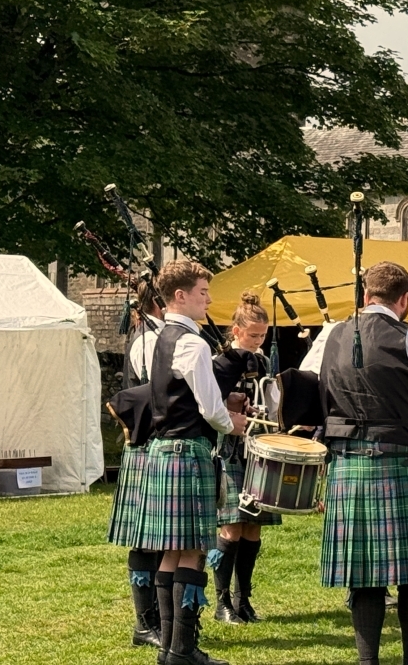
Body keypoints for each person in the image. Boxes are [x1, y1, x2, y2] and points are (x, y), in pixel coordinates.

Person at [319, 261, 408, 665]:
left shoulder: (331, 335)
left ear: (365, 296)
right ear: (404, 299)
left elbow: (311, 388)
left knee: (362, 574)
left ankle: (367, 661)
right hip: (401, 462)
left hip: (348, 465)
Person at [134, 261, 247, 665]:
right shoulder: (192, 343)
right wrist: (230, 422)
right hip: (188, 453)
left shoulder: (160, 338)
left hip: (164, 450)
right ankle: (181, 650)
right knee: (194, 551)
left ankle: (170, 649)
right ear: (180, 296)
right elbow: (209, 407)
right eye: (203, 292)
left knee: (170, 552)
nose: (209, 299)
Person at [211, 292, 277, 625]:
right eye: (252, 335)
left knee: (253, 527)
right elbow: (208, 402)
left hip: (258, 449)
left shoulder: (263, 362)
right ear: (235, 330)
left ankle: (243, 600)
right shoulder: (220, 361)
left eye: (262, 335)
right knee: (232, 526)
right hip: (229, 448)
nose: (256, 340)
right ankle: (222, 603)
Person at [106, 289, 165, 649]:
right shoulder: (148, 341)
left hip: (153, 446)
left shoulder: (160, 336)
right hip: (145, 445)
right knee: (145, 539)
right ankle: (145, 624)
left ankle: (158, 619)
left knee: (160, 540)